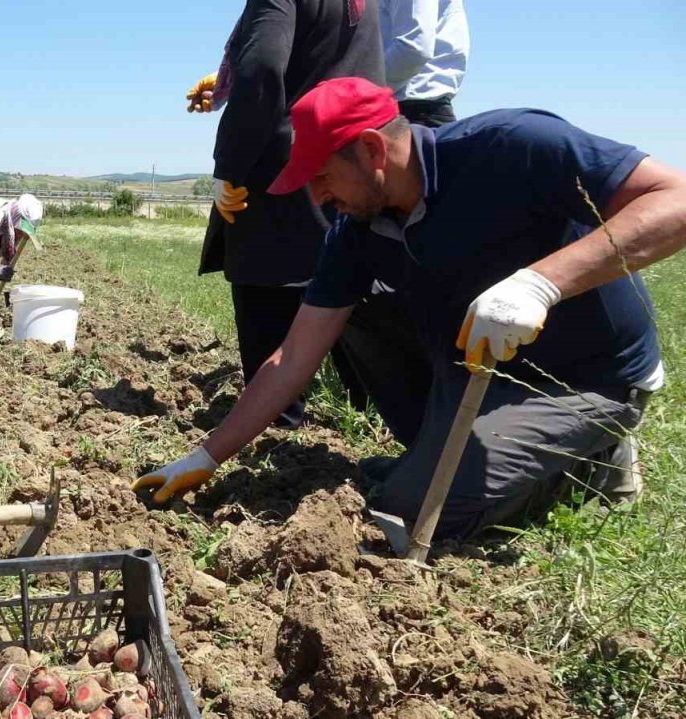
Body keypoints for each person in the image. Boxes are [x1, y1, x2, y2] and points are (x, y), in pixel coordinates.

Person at [135, 77, 686, 542]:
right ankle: (454, 457)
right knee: (351, 316)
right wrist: (206, 456)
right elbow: (295, 354)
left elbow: (675, 200)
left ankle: (592, 461)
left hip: (583, 376)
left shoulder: (512, 146)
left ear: (372, 150)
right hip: (480, 366)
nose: (317, 197)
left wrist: (540, 284)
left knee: (412, 512)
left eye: (322, 176)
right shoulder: (355, 230)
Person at [184, 0, 384, 429]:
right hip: (350, 162)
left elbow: (261, 67)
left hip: (282, 167)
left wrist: (229, 165)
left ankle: (277, 427)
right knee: (345, 288)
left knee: (268, 292)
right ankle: (371, 422)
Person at [331, 0, 471, 444]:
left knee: (439, 277)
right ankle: (424, 435)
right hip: (388, 112)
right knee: (366, 287)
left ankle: (458, 420)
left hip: (411, 112)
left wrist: (344, 94)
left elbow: (412, 47)